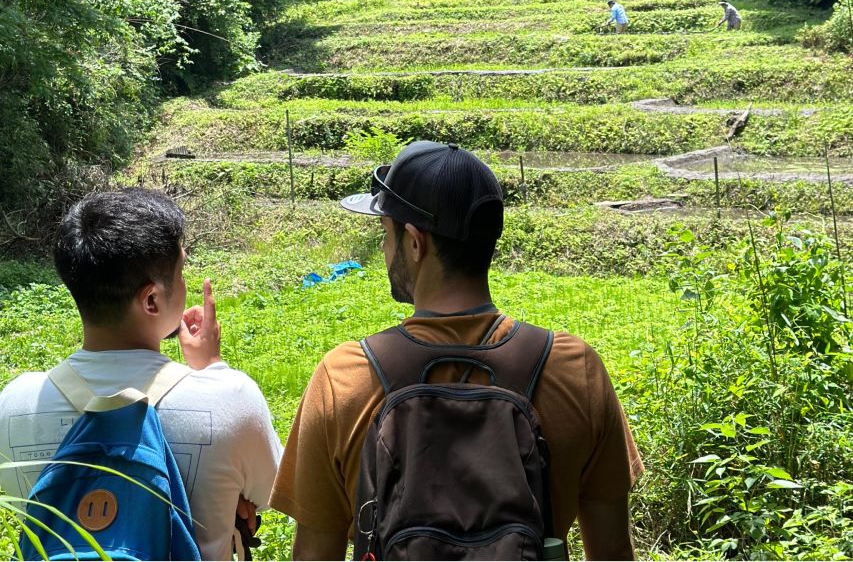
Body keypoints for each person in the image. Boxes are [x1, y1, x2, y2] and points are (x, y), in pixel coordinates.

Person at [270, 141, 644, 560]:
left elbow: (313, 555)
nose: (385, 249)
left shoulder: (345, 378)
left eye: (387, 234)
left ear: (415, 243)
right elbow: (612, 551)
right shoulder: (575, 369)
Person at [0, 188, 283, 560]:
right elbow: (278, 491)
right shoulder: (230, 398)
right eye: (181, 271)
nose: (184, 283)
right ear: (151, 300)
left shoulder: (15, 404)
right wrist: (212, 369)